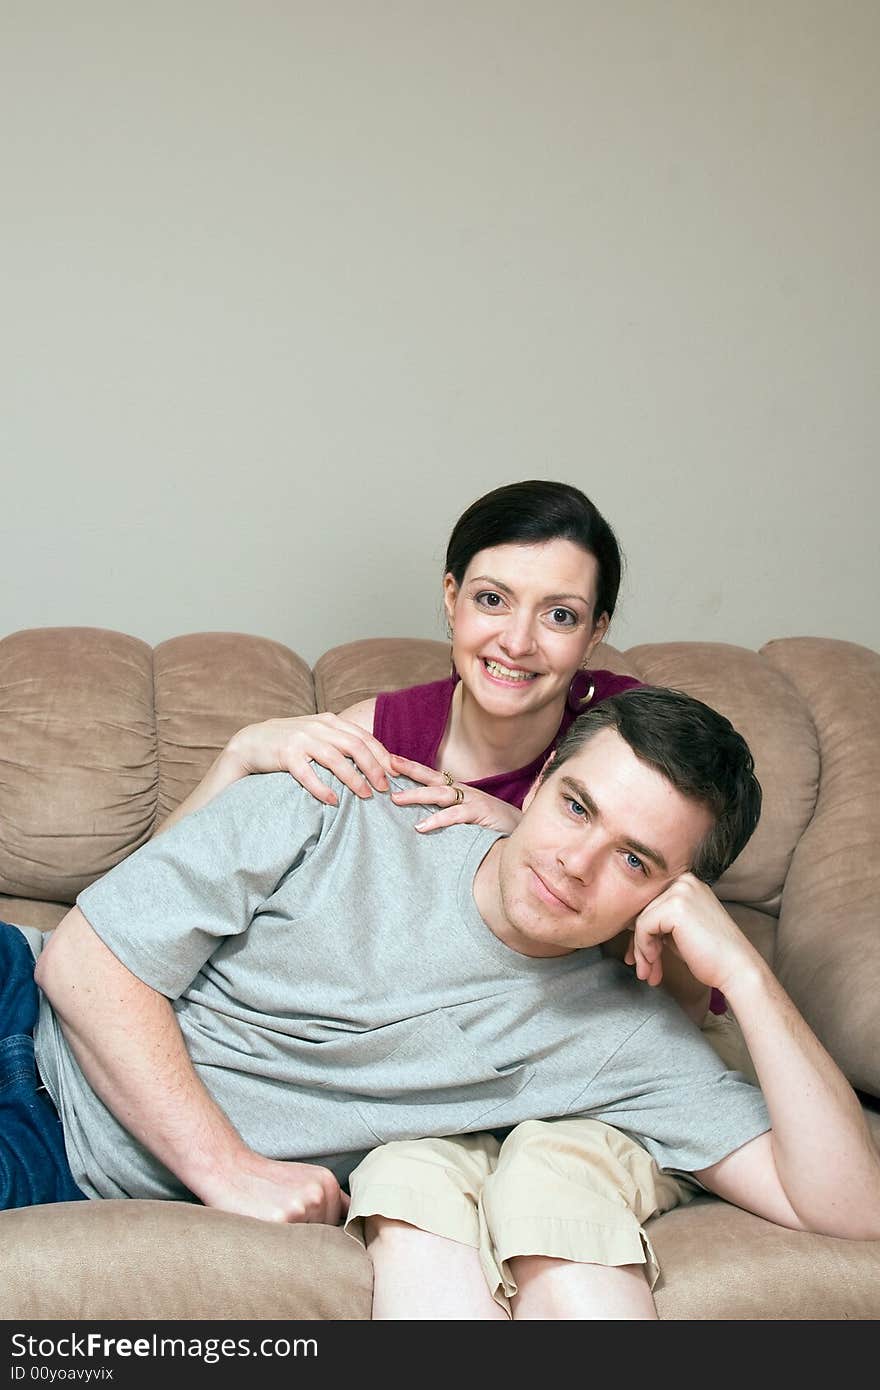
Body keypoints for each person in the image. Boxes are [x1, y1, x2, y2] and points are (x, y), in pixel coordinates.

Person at [3, 689, 879, 1322]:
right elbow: (81, 960)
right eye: (576, 807)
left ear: (672, 896)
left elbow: (849, 1207)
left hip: (54, 1153)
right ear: (534, 788)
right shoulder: (338, 798)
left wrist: (747, 975)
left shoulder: (626, 1039)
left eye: (635, 860)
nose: (576, 862)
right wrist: (226, 1168)